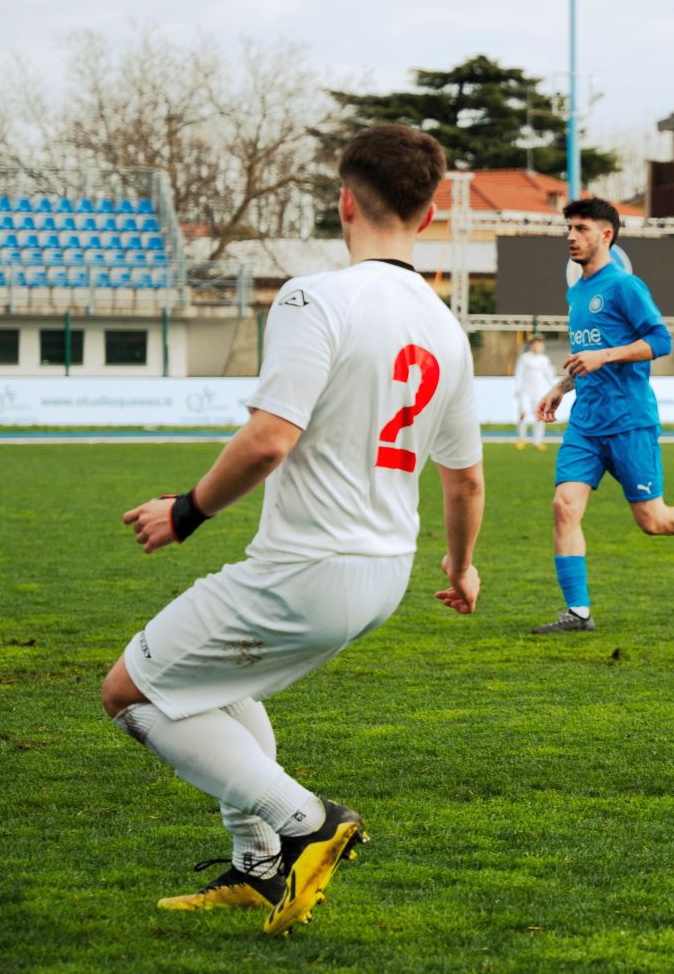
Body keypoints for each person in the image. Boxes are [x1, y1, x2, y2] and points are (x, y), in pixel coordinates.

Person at [99, 124, 485, 935]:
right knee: (217, 683)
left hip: (309, 566)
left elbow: (269, 440)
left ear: (343, 202)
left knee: (130, 691)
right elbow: (465, 478)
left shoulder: (316, 297)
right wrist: (461, 566)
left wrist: (185, 510)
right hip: (385, 571)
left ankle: (309, 820)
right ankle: (257, 866)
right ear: (430, 211)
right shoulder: (447, 329)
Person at [531, 196, 674, 633]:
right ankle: (578, 612)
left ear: (606, 234)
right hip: (586, 424)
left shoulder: (625, 286)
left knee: (654, 520)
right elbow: (586, 357)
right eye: (569, 228)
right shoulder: (577, 292)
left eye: (582, 228)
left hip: (629, 421)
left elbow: (661, 341)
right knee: (564, 505)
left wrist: (604, 356)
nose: (571, 236)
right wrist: (560, 388)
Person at [513, 335, 557, 450]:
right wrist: (517, 389)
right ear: (531, 345)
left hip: (539, 393)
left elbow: (549, 376)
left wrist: (556, 390)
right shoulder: (524, 358)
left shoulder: (544, 359)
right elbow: (518, 374)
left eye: (539, 344)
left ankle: (538, 442)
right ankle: (521, 439)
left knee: (539, 416)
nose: (537, 346)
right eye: (534, 344)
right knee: (523, 414)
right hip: (525, 391)